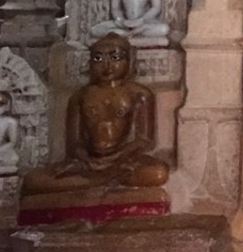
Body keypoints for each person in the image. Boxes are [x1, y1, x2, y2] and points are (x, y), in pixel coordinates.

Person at [22, 34, 169, 194]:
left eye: (115, 58)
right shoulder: (80, 96)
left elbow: (144, 140)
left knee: (158, 173)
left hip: (123, 160)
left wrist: (114, 158)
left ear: (130, 60)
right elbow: (74, 143)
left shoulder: (139, 94)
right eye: (98, 58)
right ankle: (104, 180)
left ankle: (94, 181)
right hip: (88, 163)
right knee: (32, 181)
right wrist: (88, 160)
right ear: (90, 62)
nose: (107, 65)